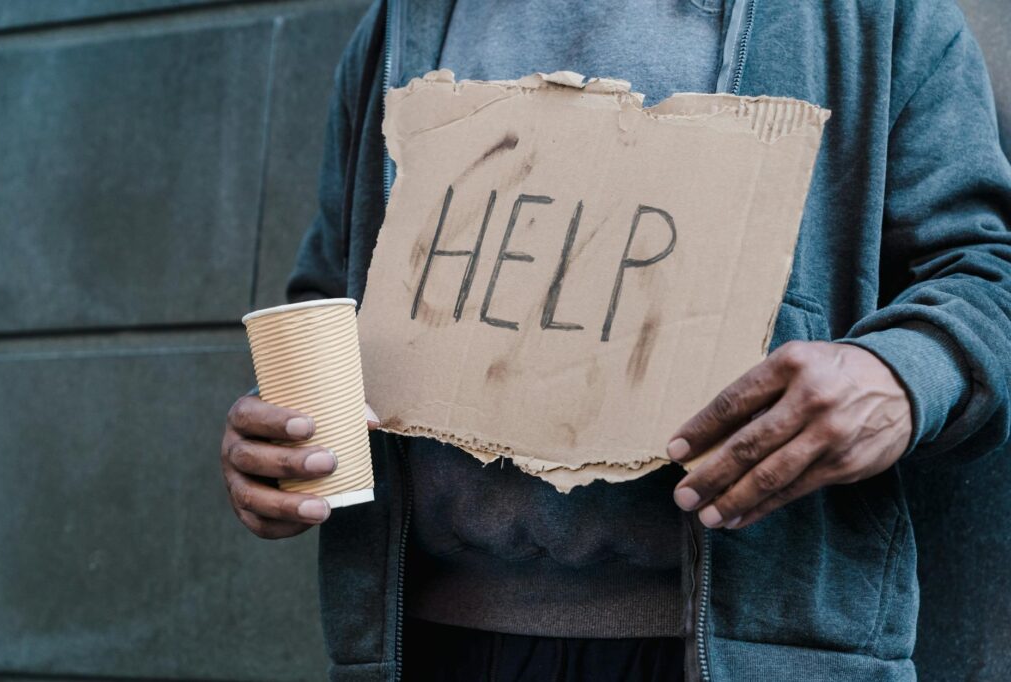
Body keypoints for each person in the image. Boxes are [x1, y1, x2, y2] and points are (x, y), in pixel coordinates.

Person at [219, 0, 1011, 680]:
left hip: (752, 651)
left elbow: (987, 274)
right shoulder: (405, 22)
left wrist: (900, 377)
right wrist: (281, 442)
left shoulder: (872, 16)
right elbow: (329, 301)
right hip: (427, 641)